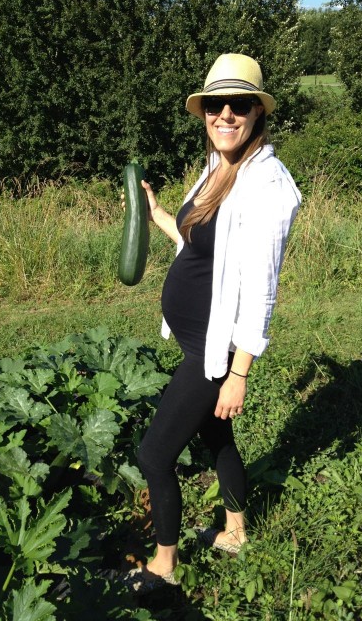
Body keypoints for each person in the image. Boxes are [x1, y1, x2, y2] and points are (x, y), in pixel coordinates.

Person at [121, 53, 301, 594]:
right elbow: (207, 252)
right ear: (203, 112)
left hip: (214, 348)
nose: (225, 114)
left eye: (239, 104)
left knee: (153, 454)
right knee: (216, 435)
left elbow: (262, 290)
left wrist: (238, 371)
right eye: (214, 104)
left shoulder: (268, 185)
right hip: (197, 339)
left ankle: (163, 568)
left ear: (257, 113)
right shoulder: (220, 168)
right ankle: (237, 529)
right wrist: (159, 217)